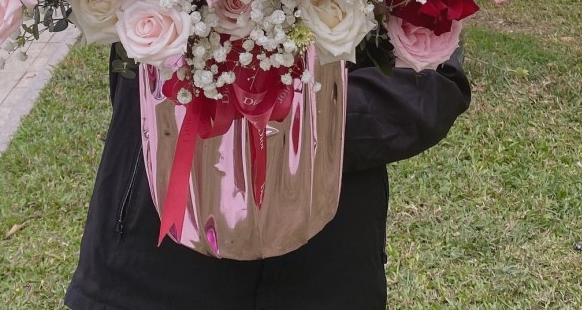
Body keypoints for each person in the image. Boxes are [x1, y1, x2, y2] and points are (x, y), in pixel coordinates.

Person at [65, 48, 470, 309]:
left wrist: (285, 122)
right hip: (153, 255)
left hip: (322, 262)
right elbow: (134, 59)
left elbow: (431, 85)